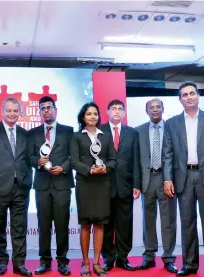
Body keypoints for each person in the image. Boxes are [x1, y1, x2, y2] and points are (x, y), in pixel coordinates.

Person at [0, 97, 32, 276]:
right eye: (8, 110)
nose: (12, 114)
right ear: (2, 111)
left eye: (15, 111)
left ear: (19, 113)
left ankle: (19, 264)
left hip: (21, 188)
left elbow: (29, 159)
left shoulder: (26, 134)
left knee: (20, 228)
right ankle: (2, 262)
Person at [27, 96, 74, 276]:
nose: (46, 110)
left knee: (62, 225)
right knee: (44, 225)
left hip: (62, 184)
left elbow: (73, 157)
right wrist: (38, 162)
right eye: (43, 108)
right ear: (39, 112)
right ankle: (44, 261)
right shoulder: (33, 133)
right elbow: (29, 157)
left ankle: (62, 262)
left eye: (49, 107)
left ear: (55, 109)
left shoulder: (68, 131)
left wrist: (63, 168)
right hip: (42, 186)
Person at [162, 81, 204, 276]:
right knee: (187, 223)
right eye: (185, 95)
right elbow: (167, 154)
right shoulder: (171, 124)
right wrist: (167, 179)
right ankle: (189, 265)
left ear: (198, 96)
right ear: (180, 100)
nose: (189, 97)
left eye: (192, 93)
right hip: (183, 177)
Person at [71, 102, 116, 277]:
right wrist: (89, 170)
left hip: (102, 183)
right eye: (89, 114)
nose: (92, 116)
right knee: (85, 224)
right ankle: (85, 263)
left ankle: (97, 262)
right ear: (83, 117)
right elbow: (74, 161)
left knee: (99, 224)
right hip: (85, 183)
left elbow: (113, 159)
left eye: (95, 114)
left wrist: (105, 167)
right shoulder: (76, 137)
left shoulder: (105, 136)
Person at [135, 98, 177, 273]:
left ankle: (168, 258)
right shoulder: (138, 131)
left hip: (167, 180)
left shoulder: (173, 129)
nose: (155, 110)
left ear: (163, 109)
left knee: (168, 221)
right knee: (148, 221)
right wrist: (136, 183)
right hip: (147, 180)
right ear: (146, 111)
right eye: (151, 107)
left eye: (158, 106)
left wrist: (173, 179)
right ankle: (149, 257)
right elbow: (136, 161)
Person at [100, 99, 141, 272]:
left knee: (125, 224)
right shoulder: (98, 131)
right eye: (113, 109)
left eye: (120, 109)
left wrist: (136, 184)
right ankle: (108, 258)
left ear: (124, 113)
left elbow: (136, 160)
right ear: (107, 112)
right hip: (104, 185)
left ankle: (123, 258)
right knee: (106, 224)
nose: (117, 112)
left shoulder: (132, 133)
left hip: (126, 184)